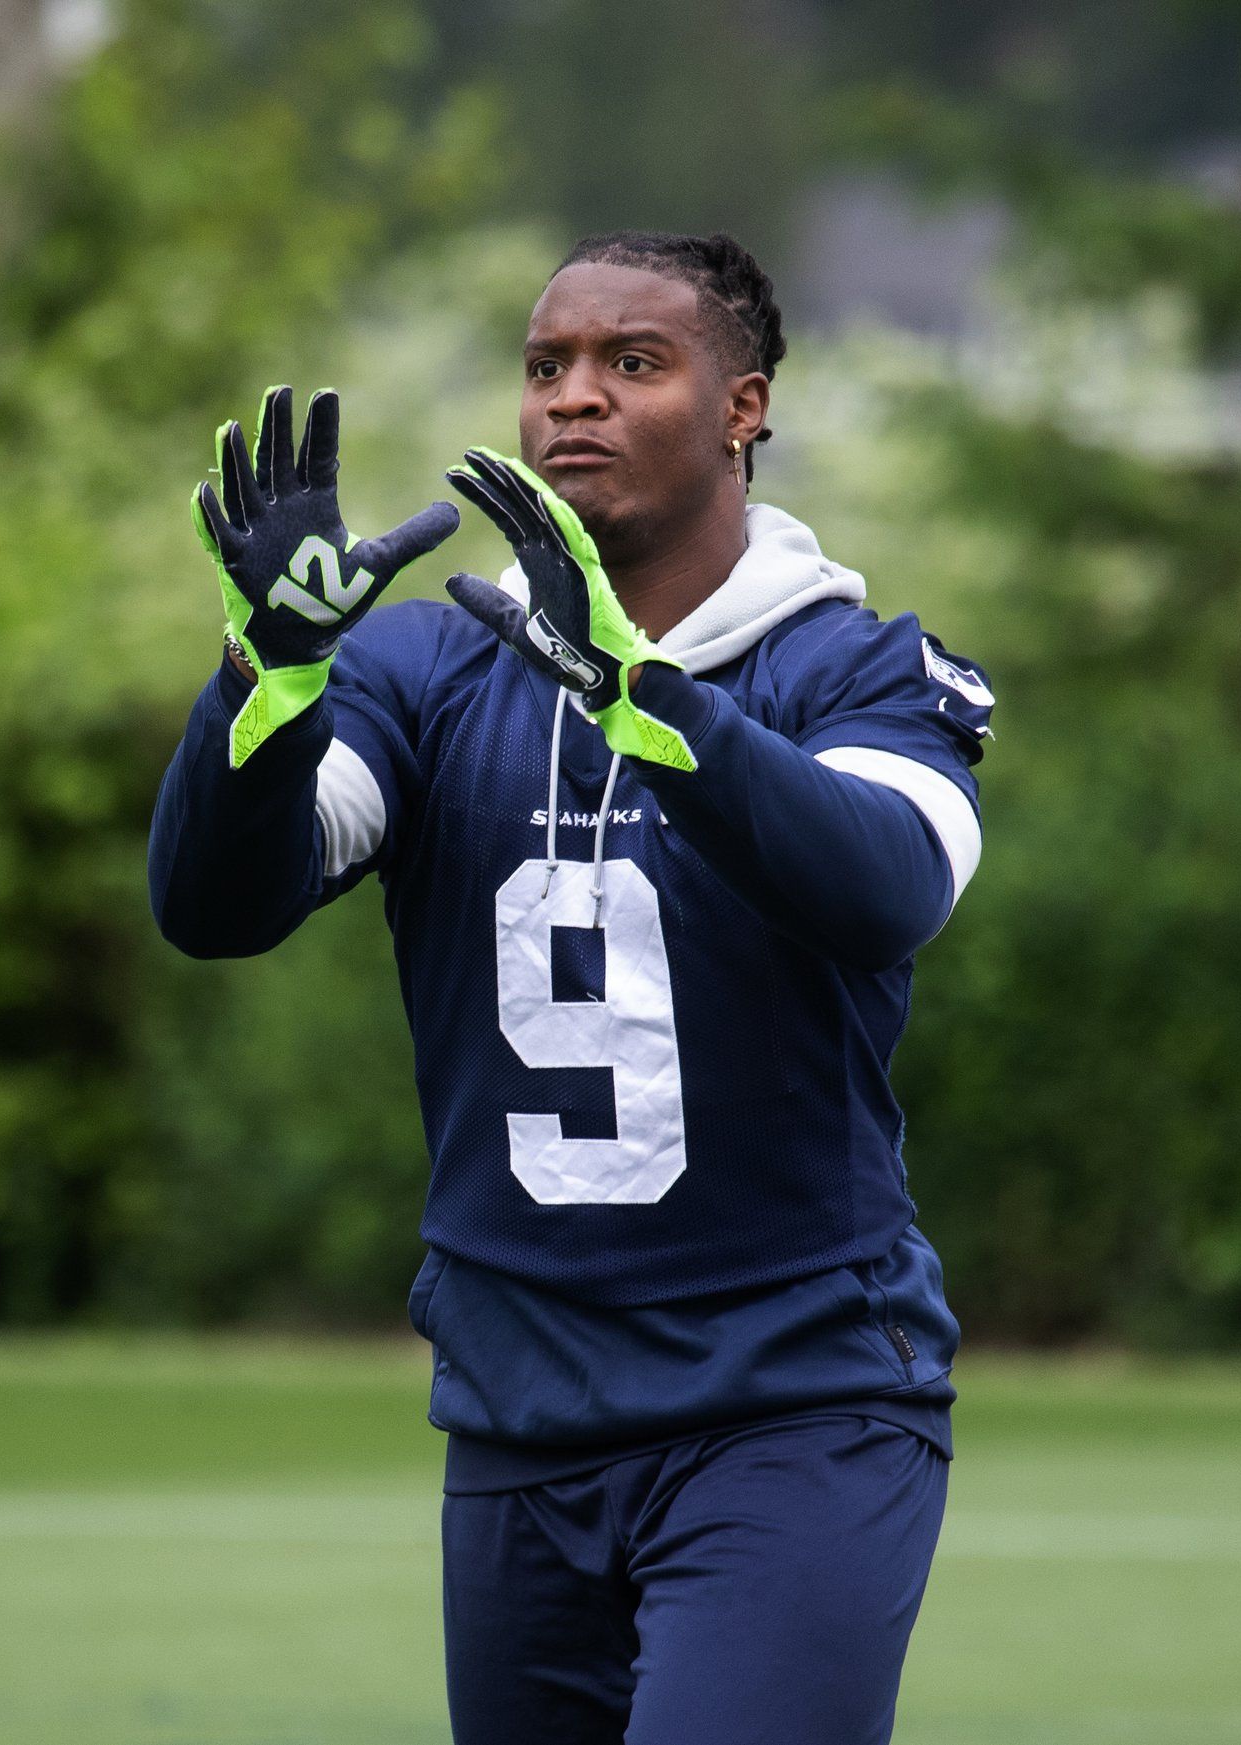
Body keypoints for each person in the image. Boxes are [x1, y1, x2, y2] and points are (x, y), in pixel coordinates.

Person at [149, 229, 993, 1745]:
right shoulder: (431, 672)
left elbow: (885, 887)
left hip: (787, 1400)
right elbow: (216, 904)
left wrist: (650, 700)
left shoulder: (847, 667)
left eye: (633, 363)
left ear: (745, 406)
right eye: (547, 367)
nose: (574, 400)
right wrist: (263, 684)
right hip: (522, 1410)